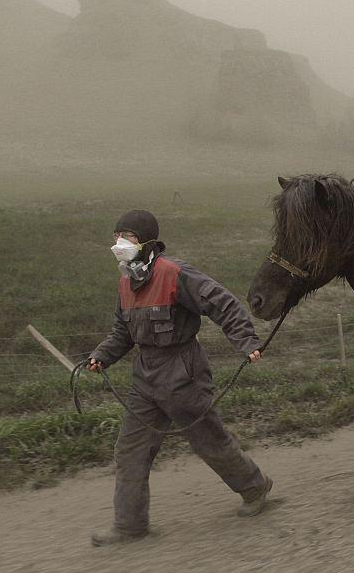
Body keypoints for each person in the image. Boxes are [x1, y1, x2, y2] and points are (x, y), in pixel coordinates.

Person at [88, 209, 272, 547]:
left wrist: (245, 341)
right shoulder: (126, 282)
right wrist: (102, 355)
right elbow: (122, 332)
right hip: (145, 377)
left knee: (208, 441)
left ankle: (255, 487)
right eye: (116, 238)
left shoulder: (175, 274)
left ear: (146, 243)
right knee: (130, 450)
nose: (118, 245)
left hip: (182, 372)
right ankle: (129, 525)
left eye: (126, 239)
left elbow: (224, 304)